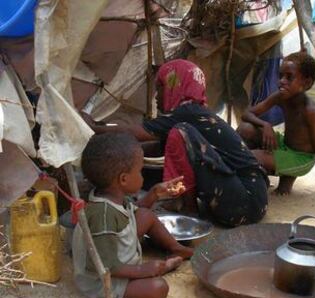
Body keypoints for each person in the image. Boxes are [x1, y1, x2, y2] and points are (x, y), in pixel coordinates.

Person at [82, 59, 269, 227]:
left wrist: (95, 127)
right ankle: (184, 203)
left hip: (246, 202)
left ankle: (189, 209)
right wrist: (120, 157)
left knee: (180, 132)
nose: (156, 95)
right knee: (174, 138)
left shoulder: (189, 114)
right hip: (246, 200)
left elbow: (135, 132)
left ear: (176, 86)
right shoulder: (193, 116)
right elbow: (155, 148)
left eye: (161, 87)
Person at [72, 133, 193, 298]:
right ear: (123, 179)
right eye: (140, 171)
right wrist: (143, 270)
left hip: (118, 253)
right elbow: (106, 266)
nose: (142, 176)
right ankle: (163, 267)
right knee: (158, 289)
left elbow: (136, 212)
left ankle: (177, 248)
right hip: (102, 279)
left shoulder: (114, 195)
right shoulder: (102, 215)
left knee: (146, 215)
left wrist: (155, 194)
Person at [237, 51, 315, 196]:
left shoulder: (312, 111)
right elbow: (247, 114)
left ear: (306, 83)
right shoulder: (281, 97)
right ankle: (279, 180)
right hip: (285, 146)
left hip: (301, 159)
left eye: (289, 77)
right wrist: (265, 125)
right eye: (280, 76)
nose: (282, 81)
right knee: (246, 128)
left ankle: (262, 178)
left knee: (251, 157)